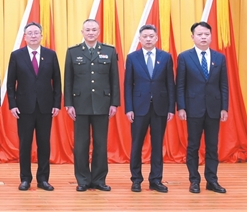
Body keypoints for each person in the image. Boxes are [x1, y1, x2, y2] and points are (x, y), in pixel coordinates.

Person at [63, 19, 120, 192]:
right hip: (79, 104)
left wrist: (114, 103)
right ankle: (83, 180)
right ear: (82, 32)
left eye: (94, 29)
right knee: (81, 145)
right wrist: (68, 104)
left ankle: (99, 179)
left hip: (102, 104)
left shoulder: (109, 51)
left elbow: (114, 80)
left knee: (101, 144)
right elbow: (68, 80)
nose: (90, 32)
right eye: (87, 30)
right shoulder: (73, 52)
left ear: (99, 31)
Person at [6, 22, 61, 191]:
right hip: (24, 108)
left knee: (44, 144)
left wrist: (56, 104)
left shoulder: (50, 55)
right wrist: (12, 104)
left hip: (45, 107)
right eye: (29, 33)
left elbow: (57, 81)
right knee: (25, 144)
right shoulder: (17, 55)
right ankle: (25, 178)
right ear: (25, 37)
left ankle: (43, 179)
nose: (33, 36)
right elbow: (10, 83)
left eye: (36, 33)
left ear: (41, 35)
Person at [177, 21, 229, 194]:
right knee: (193, 146)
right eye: (200, 34)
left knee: (212, 147)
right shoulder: (184, 57)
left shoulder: (219, 58)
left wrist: (224, 107)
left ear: (211, 36)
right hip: (193, 108)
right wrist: (181, 107)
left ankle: (212, 180)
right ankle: (194, 180)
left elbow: (223, 85)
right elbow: (180, 85)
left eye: (206, 34)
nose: (203, 37)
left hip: (214, 108)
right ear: (193, 37)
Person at [124, 24, 174, 193]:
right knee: (137, 144)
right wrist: (129, 108)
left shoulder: (165, 57)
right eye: (144, 36)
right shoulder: (132, 57)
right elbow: (128, 85)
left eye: (151, 36)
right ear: (140, 39)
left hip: (160, 107)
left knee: (157, 145)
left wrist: (171, 108)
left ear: (156, 38)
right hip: (138, 108)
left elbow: (170, 84)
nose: (148, 39)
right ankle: (136, 179)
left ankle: (156, 180)